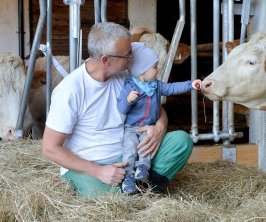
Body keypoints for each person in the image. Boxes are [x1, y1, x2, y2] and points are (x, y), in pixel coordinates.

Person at [41, 22, 193, 198]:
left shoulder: (129, 77)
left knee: (181, 141)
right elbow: (49, 148)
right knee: (105, 198)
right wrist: (98, 171)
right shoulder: (70, 91)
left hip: (131, 155)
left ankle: (136, 186)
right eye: (127, 54)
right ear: (106, 59)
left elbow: (158, 110)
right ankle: (141, 189)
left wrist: (159, 127)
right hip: (90, 166)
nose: (132, 57)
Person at [117, 43, 201, 194]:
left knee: (146, 146)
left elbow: (172, 88)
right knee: (129, 149)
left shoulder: (156, 86)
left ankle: (142, 170)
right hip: (131, 128)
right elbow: (121, 108)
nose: (158, 69)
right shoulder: (129, 87)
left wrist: (191, 85)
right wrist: (129, 100)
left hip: (148, 126)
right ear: (142, 70)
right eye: (155, 67)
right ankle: (128, 177)